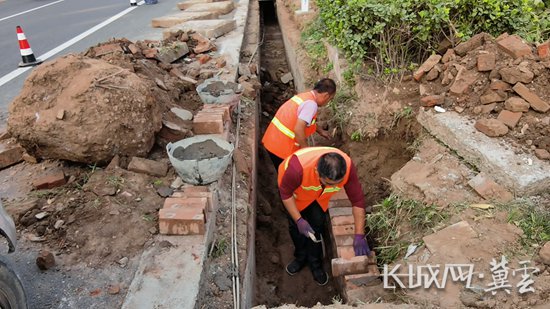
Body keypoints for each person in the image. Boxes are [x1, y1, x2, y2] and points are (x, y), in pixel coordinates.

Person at [277, 146, 371, 286]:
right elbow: (285, 194)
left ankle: (315, 263)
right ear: (317, 172)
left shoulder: (347, 166)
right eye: (329, 183)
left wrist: (359, 234)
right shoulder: (296, 169)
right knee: (296, 229)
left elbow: (357, 201)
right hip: (295, 196)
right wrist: (299, 220)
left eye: (337, 183)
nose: (334, 186)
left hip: (318, 197)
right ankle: (300, 257)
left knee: (317, 225)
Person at [262, 78, 336, 170]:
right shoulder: (311, 105)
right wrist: (306, 152)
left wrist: (321, 131)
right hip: (282, 148)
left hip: (273, 140)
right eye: (330, 99)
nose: (327, 102)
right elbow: (298, 129)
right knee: (289, 178)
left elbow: (304, 120)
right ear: (326, 95)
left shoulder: (304, 97)